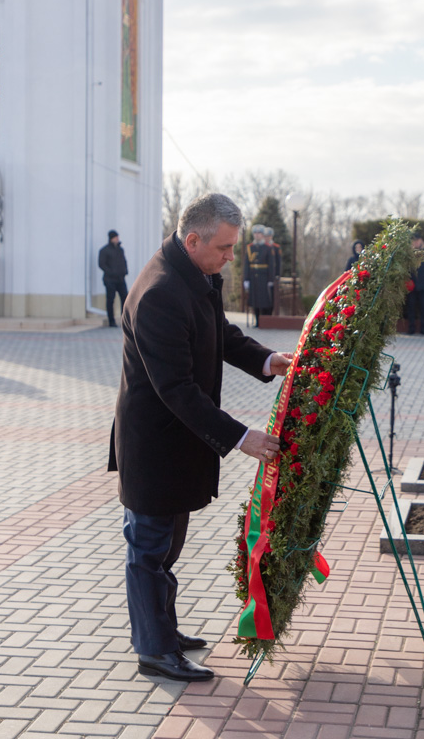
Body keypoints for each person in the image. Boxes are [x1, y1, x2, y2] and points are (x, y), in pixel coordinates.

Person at [109, 193, 290, 683]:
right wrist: (240, 437)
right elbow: (176, 389)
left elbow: (221, 332)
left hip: (179, 443)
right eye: (225, 249)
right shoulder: (160, 293)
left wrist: (264, 360)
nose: (231, 257)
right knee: (148, 549)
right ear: (193, 240)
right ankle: (154, 649)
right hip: (155, 443)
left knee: (166, 546)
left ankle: (160, 629)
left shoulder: (194, 273)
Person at [242, 224, 274, 326]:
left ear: (262, 235)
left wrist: (270, 279)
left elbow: (271, 265)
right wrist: (246, 279)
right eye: (255, 233)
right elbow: (246, 264)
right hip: (253, 277)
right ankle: (257, 321)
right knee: (254, 300)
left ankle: (264, 321)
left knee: (264, 300)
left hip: (264, 277)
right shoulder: (250, 247)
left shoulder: (267, 248)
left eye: (259, 233)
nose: (257, 235)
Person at [406, 233, 424, 334]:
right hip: (412, 285)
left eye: (417, 240)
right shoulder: (409, 253)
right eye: (414, 241)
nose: (416, 243)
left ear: (421, 240)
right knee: (411, 308)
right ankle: (411, 329)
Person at [99, 230, 130, 327]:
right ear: (111, 238)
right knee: (110, 300)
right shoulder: (104, 250)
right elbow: (102, 264)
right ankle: (111, 321)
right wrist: (111, 272)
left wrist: (125, 271)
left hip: (121, 279)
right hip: (110, 280)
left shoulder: (120, 250)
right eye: (116, 237)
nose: (118, 239)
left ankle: (124, 320)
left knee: (126, 299)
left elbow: (124, 261)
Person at [264, 225, 282, 314]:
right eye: (266, 236)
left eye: (269, 236)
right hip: (264, 275)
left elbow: (278, 263)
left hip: (272, 275)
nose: (267, 238)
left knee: (271, 297)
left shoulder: (276, 247)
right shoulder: (263, 246)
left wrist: (277, 275)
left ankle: (269, 313)